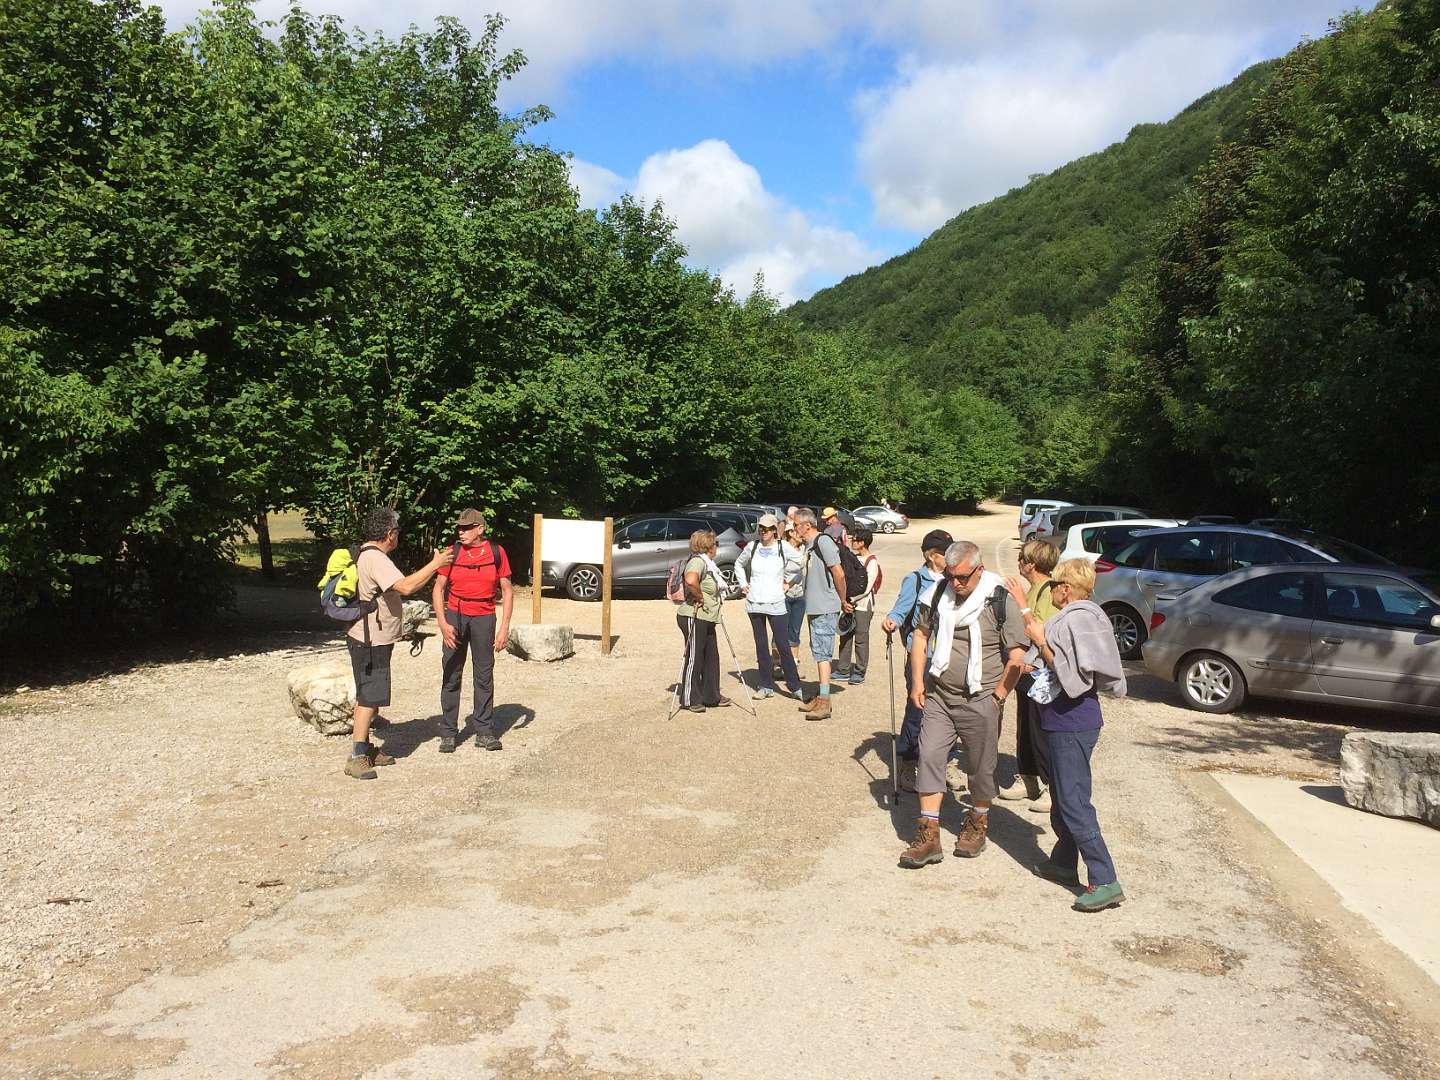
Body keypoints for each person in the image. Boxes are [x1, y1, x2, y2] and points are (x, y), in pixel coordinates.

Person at [1004, 558, 1127, 912]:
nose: (1051, 591)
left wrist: (1040, 642)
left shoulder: (1079, 620)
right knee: (1061, 794)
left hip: (1072, 721)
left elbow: (1074, 677)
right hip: (1064, 720)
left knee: (1073, 801)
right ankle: (1063, 862)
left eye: (1054, 586)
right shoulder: (1085, 616)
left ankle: (1105, 879)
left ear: (1066, 589)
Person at [898, 540, 1027, 867]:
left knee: (981, 765)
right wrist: (917, 683)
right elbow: (920, 635)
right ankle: (929, 835)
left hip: (982, 697)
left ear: (979, 570)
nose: (955, 583)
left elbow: (1017, 656)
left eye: (962, 577)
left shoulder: (1000, 599)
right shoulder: (936, 595)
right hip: (939, 695)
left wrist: (998, 696)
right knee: (929, 756)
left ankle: (976, 823)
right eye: (950, 576)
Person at [344, 507, 450, 780]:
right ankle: (356, 757)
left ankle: (366, 748)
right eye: (397, 531)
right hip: (371, 639)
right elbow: (405, 587)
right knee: (369, 696)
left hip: (369, 636)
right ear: (390, 533)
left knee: (371, 693)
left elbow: (402, 586)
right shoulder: (376, 559)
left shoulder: (366, 553)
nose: (398, 536)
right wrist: (435, 565)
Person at [433, 509, 514, 753]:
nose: (461, 531)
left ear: (480, 529)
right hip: (455, 616)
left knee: (484, 675)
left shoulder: (497, 552)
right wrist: (443, 623)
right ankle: (448, 733)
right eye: (459, 527)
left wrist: (504, 628)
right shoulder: (452, 552)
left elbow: (507, 590)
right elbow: (438, 589)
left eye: (467, 527)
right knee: (451, 674)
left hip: (484, 617)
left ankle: (484, 732)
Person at [880, 529, 951, 791]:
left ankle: (944, 763)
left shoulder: (955, 579)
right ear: (932, 556)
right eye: (946, 553)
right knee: (917, 708)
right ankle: (909, 762)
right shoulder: (916, 579)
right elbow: (901, 608)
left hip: (948, 654)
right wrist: (891, 620)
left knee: (948, 710)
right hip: (922, 654)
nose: (950, 556)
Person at [996, 539, 1060, 809]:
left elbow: (1040, 631)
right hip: (1026, 671)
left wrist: (1021, 603)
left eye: (1022, 558)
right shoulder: (1034, 589)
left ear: (1031, 564)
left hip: (1041, 672)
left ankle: (1051, 788)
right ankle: (1028, 779)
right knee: (1025, 727)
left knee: (1040, 729)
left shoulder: (1048, 591)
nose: (1019, 563)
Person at [734, 513, 801, 699]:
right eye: (761, 528)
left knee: (783, 645)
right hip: (754, 602)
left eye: (767, 529)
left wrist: (790, 582)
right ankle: (765, 685)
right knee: (761, 646)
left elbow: (803, 563)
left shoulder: (783, 546)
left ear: (774, 530)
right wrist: (743, 584)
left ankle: (795, 686)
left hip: (776, 602)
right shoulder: (752, 546)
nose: (763, 532)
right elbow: (738, 564)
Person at [792, 508, 850, 720]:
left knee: (823, 654)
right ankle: (821, 696)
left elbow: (838, 573)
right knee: (818, 651)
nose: (793, 529)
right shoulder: (810, 545)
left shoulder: (823, 542)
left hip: (825, 606)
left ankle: (824, 701)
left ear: (807, 525)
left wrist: (843, 600)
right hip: (816, 606)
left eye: (796, 525)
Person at [676, 529, 733, 712]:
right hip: (693, 615)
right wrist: (700, 596)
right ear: (709, 546)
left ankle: (711, 696)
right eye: (716, 544)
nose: (717, 547)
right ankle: (690, 698)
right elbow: (691, 580)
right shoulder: (698, 561)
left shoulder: (709, 563)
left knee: (711, 656)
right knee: (695, 656)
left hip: (707, 617)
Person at [834, 527, 880, 685]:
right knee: (845, 637)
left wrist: (850, 601)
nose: (852, 542)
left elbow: (867, 587)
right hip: (848, 604)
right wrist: (844, 601)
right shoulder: (853, 558)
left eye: (855, 540)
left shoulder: (871, 562)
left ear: (862, 542)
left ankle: (860, 671)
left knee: (861, 639)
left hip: (862, 606)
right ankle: (843, 669)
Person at [781, 522, 806, 654]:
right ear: (790, 532)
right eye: (798, 531)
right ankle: (777, 661)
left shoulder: (804, 549)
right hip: (784, 594)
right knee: (780, 629)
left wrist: (790, 583)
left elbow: (804, 571)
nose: (802, 534)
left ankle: (794, 661)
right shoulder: (782, 549)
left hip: (800, 595)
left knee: (795, 630)